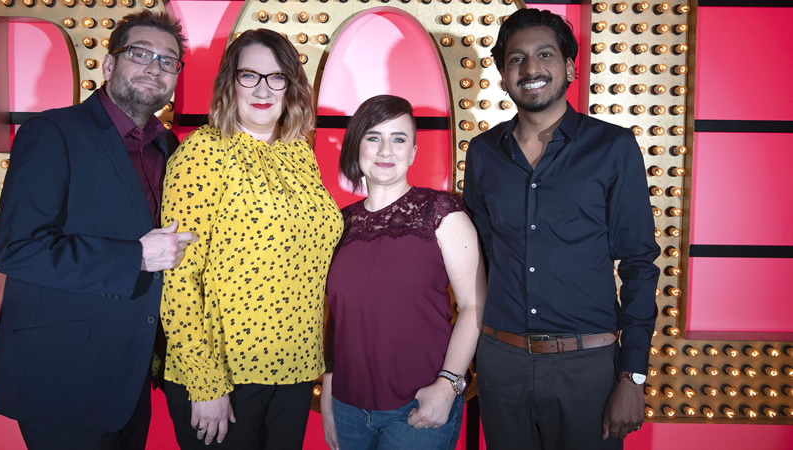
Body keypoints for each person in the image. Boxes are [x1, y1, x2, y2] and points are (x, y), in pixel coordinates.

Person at [0, 11, 192, 450]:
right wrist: (136, 256)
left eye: (168, 61)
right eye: (140, 53)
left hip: (131, 376)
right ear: (109, 65)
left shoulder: (170, 147)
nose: (155, 67)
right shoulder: (52, 131)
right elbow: (17, 249)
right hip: (61, 376)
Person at [462, 8, 661, 450]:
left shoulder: (613, 148)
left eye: (545, 55)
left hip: (588, 370)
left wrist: (632, 375)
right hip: (501, 365)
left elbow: (639, 266)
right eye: (516, 59)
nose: (531, 68)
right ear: (502, 73)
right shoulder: (482, 154)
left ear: (570, 66)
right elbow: (475, 261)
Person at [160, 28, 343, 449]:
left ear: (291, 86)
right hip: (225, 375)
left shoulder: (298, 152)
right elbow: (178, 278)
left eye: (276, 77)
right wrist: (206, 385)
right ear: (230, 82)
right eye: (250, 76)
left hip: (295, 371)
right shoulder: (203, 152)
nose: (263, 89)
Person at [320, 95, 486, 450]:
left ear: (412, 152)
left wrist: (448, 384)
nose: (385, 149)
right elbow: (337, 316)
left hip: (420, 404)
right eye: (373, 137)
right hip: (348, 407)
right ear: (356, 146)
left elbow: (475, 305)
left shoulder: (441, 212)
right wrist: (329, 389)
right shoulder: (339, 223)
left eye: (399, 139)